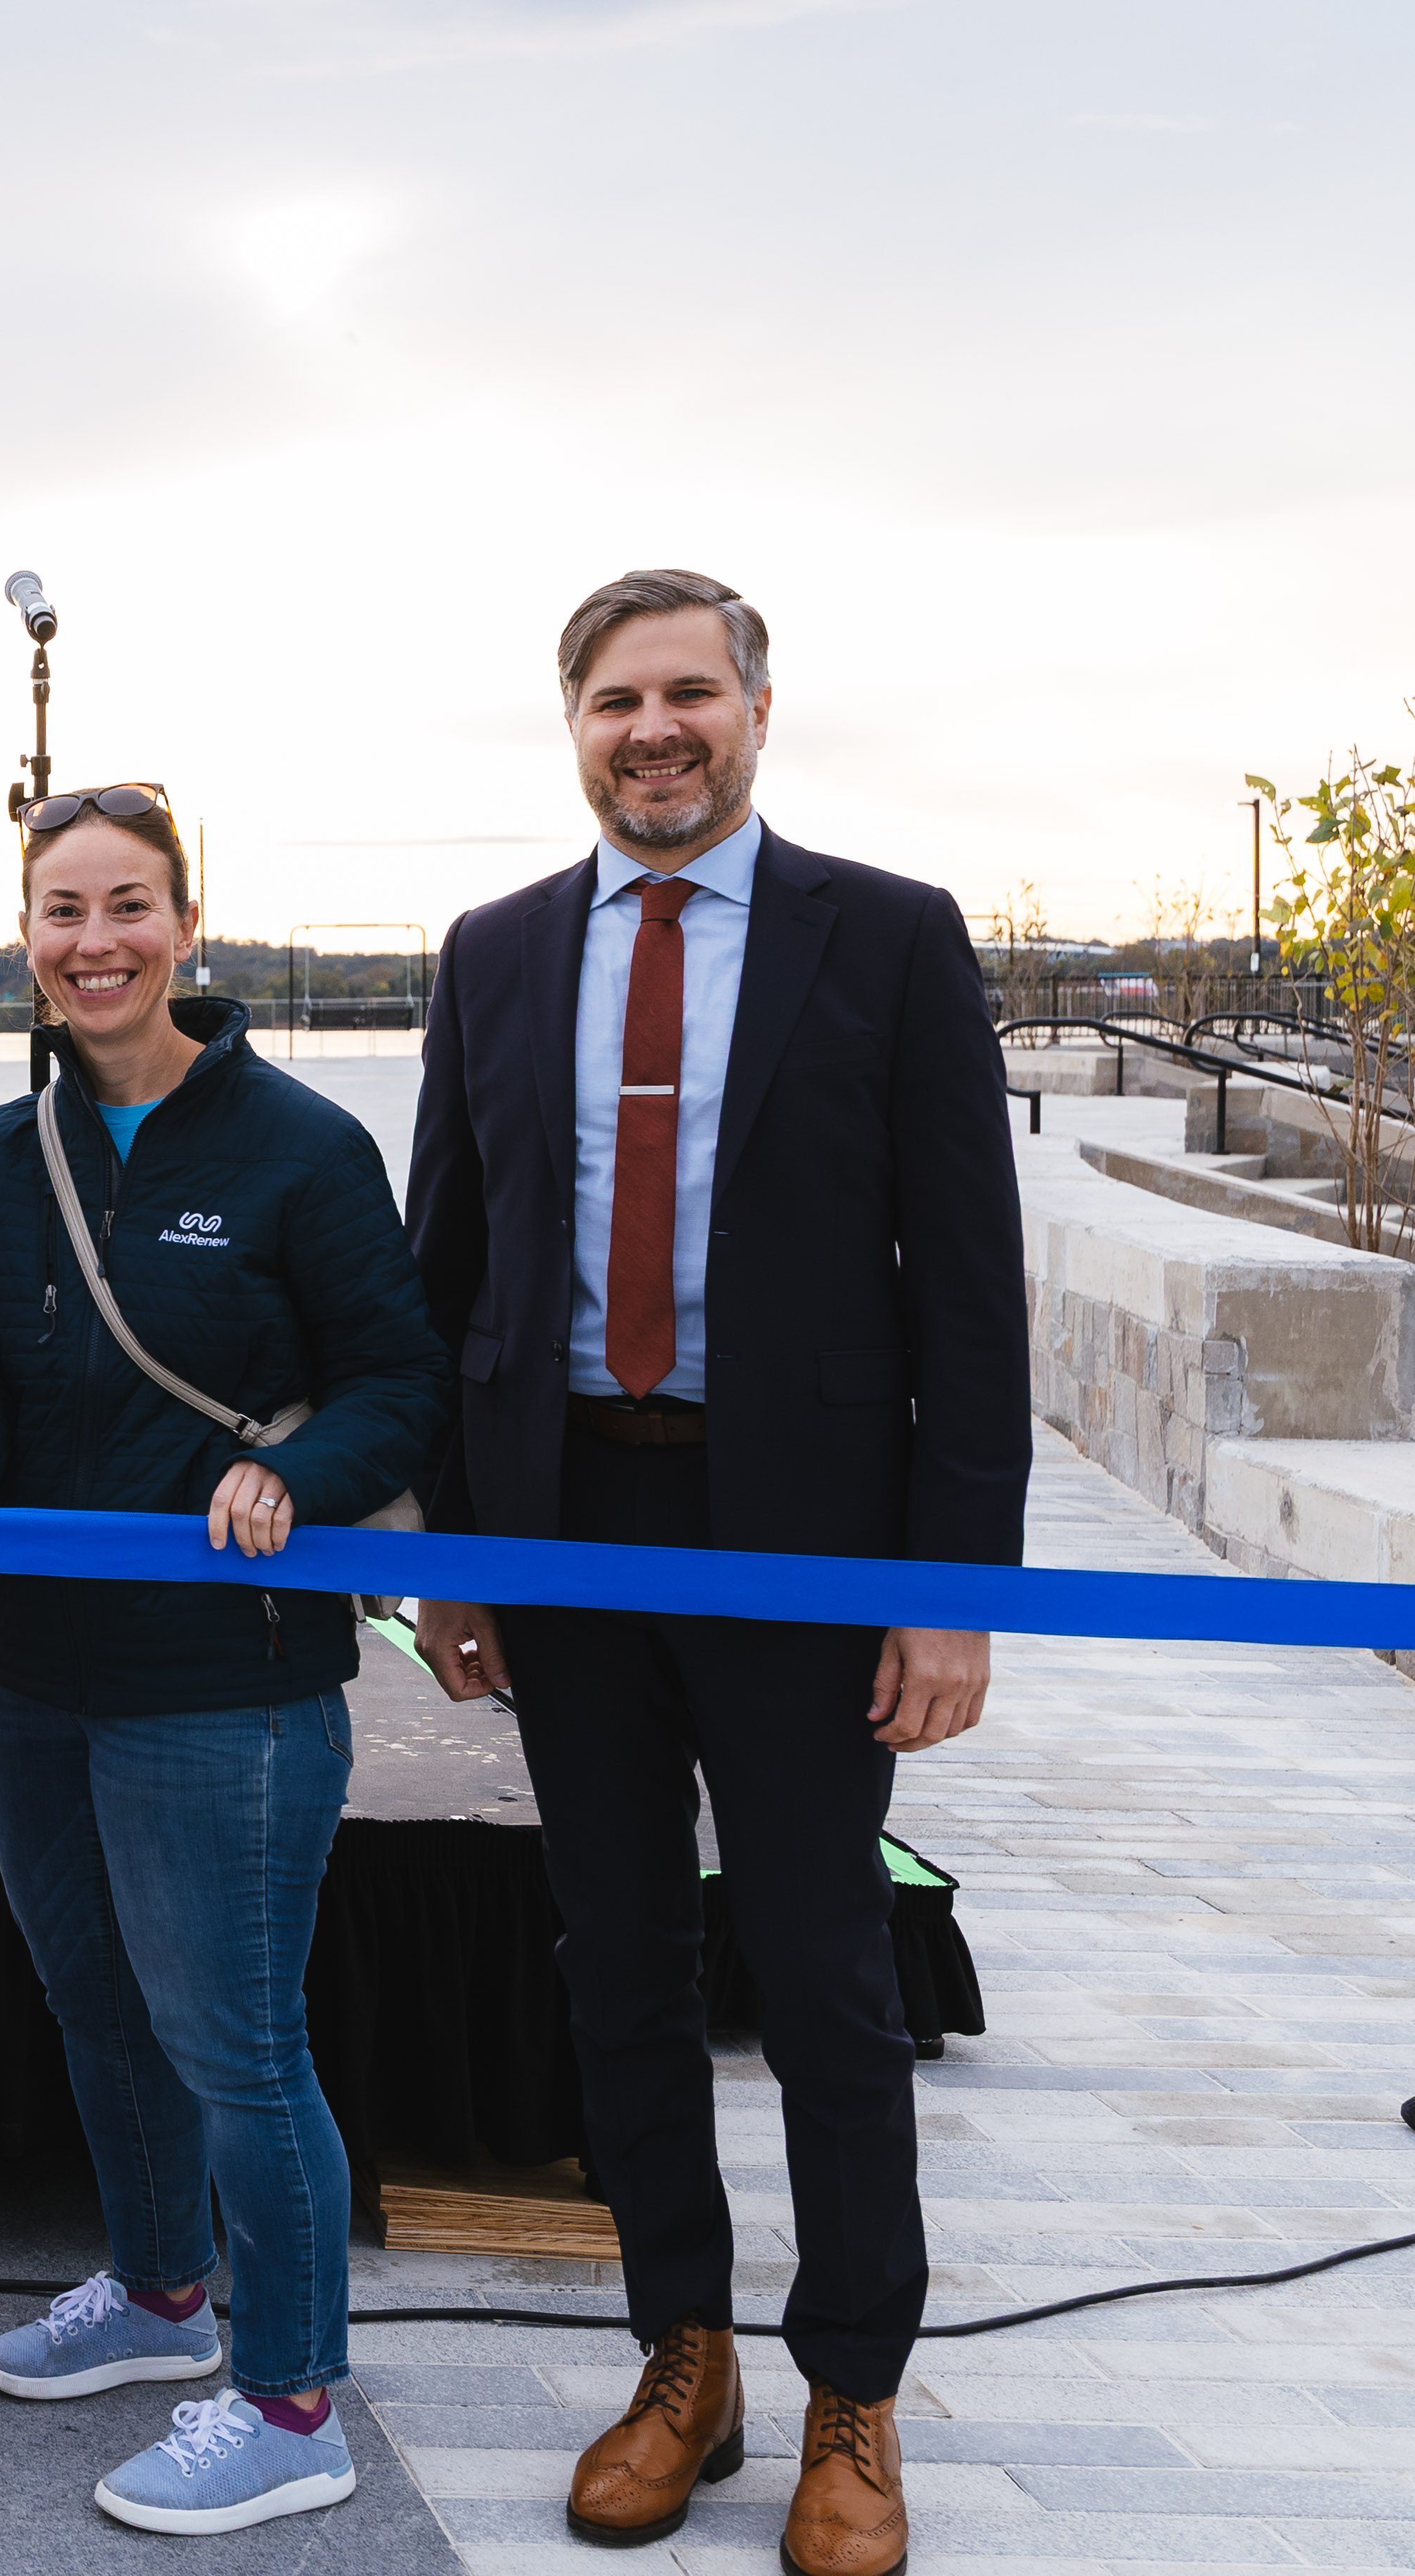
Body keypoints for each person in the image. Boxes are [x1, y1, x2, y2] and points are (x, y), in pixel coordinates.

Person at [406, 571, 1026, 2576]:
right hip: (565, 1525)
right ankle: (682, 2350)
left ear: (756, 706)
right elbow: (451, 1276)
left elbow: (972, 1292)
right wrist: (456, 1551)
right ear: (570, 725)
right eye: (614, 698)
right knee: (617, 1965)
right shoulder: (493, 952)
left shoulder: (893, 938)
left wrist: (955, 1588)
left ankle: (854, 2383)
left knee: (829, 1975)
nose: (651, 728)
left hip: (799, 1540)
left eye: (688, 692)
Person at [0, 783, 446, 2536]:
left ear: (182, 925)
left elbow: (393, 1382)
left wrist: (295, 1468)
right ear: (25, 937)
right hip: (33, 1657)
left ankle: (288, 2397)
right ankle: (153, 2292)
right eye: (60, 910)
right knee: (91, 1996)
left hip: (232, 1671)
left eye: (125, 904)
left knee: (232, 2038)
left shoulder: (299, 1144)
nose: (93, 941)